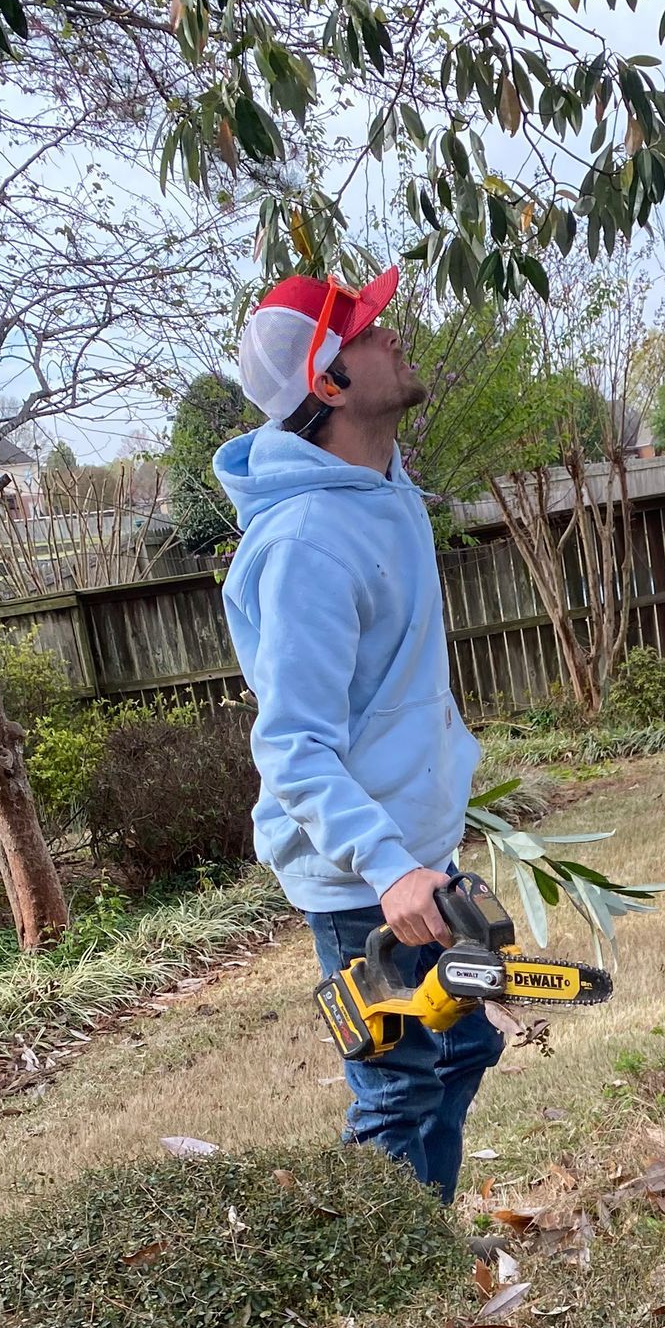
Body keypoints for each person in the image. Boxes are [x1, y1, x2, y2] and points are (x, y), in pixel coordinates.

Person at [215, 267, 503, 1199]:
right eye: (370, 332)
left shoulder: (382, 487)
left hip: (412, 853)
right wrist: (389, 870)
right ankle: (375, 1303)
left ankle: (426, 1262)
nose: (394, 334)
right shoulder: (305, 545)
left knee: (459, 1056)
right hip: (360, 882)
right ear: (329, 385)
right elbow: (293, 746)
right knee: (397, 1094)